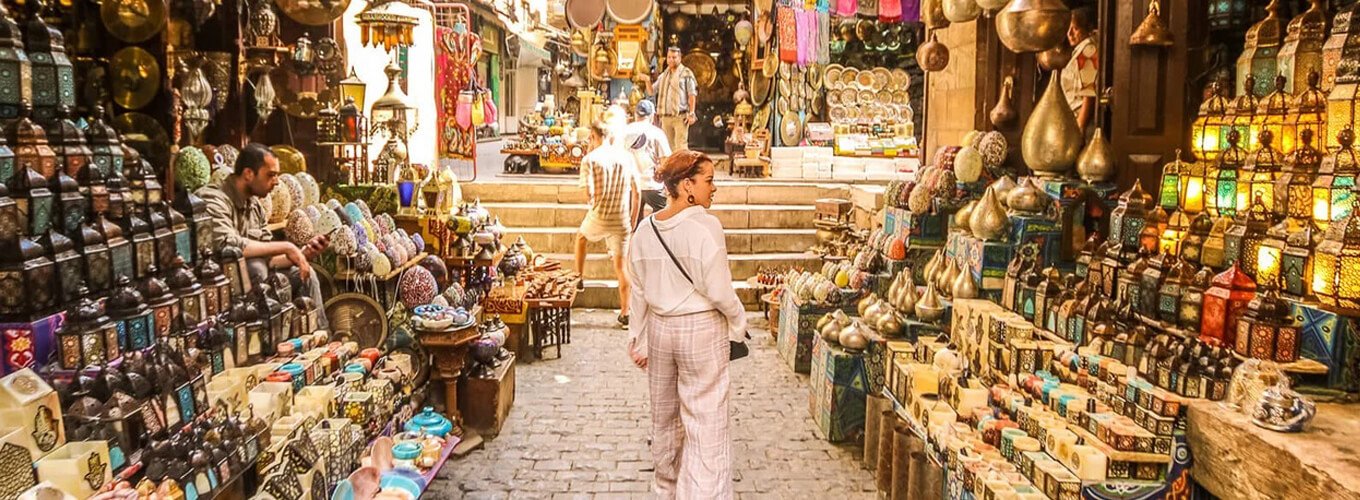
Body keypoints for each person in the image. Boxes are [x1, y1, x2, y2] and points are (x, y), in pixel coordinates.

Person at [627, 150, 746, 499]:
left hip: (662, 331)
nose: (714, 188)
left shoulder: (644, 230)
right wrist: (739, 323)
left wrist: (638, 338)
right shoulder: (706, 226)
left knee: (664, 419)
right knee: (706, 422)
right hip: (702, 330)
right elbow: (721, 292)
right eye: (708, 180)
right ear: (686, 185)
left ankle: (666, 489)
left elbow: (638, 292)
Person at [197, 143, 330, 328]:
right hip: (217, 284)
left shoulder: (254, 204)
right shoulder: (213, 199)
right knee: (256, 268)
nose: (276, 182)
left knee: (305, 273)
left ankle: (320, 336)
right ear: (248, 174)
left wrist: (303, 254)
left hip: (254, 277)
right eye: (271, 175)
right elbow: (226, 245)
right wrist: (287, 247)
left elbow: (270, 258)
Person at [576, 117, 642, 327]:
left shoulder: (589, 159)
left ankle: (578, 277)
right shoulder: (626, 157)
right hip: (621, 219)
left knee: (581, 238)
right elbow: (637, 193)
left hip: (600, 215)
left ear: (593, 136)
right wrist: (631, 221)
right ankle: (625, 312)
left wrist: (593, 200)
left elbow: (589, 193)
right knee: (621, 267)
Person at [625, 99, 672, 223]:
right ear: (652, 115)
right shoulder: (657, 133)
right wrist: (668, 185)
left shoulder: (624, 131)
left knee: (634, 221)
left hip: (630, 186)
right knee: (662, 218)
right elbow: (665, 162)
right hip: (653, 185)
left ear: (636, 115)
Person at [1061, 6, 1099, 135]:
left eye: (1075, 29)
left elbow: (1088, 93)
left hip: (1084, 120)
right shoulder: (1079, 52)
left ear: (1086, 29)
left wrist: (1080, 125)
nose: (1069, 34)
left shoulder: (1088, 50)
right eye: (1068, 29)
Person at [654, 47, 699, 152]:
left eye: (674, 57)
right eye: (669, 57)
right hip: (666, 117)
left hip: (680, 116)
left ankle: (682, 168)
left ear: (680, 58)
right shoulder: (664, 75)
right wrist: (646, 80)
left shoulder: (686, 74)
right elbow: (652, 91)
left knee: (681, 147)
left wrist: (691, 113)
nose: (671, 60)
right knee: (667, 147)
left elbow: (692, 94)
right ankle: (671, 168)